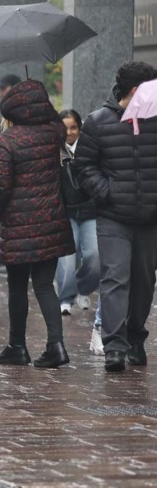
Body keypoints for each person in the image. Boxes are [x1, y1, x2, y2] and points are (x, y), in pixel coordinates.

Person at [73, 60, 157, 372]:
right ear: (136, 91)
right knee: (115, 277)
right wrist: (107, 191)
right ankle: (115, 346)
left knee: (144, 282)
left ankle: (135, 338)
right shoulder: (97, 122)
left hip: (150, 218)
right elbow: (83, 167)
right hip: (113, 217)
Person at [0, 80, 74, 369]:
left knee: (16, 287)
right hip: (52, 219)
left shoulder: (8, 140)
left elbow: (1, 185)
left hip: (18, 222)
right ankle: (56, 345)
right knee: (43, 285)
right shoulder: (55, 133)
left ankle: (17, 346)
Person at [55, 109, 100, 321]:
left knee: (94, 255)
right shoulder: (53, 150)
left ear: (80, 128)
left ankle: (84, 287)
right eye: (65, 128)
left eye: (74, 127)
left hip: (89, 209)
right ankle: (65, 298)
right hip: (65, 211)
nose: (70, 132)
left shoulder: (89, 148)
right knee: (66, 259)